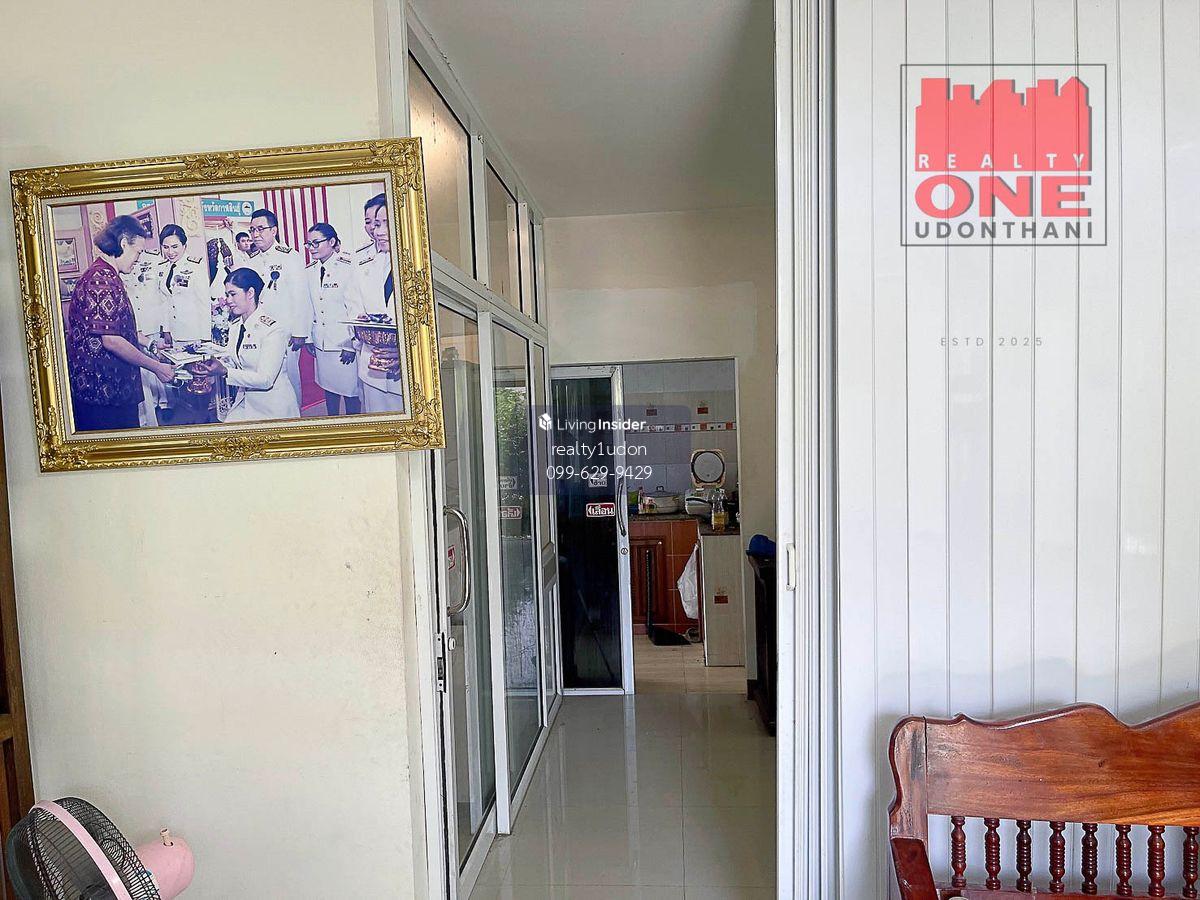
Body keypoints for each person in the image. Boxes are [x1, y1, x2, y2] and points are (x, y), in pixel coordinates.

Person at [66, 215, 175, 431]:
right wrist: (156, 367)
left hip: (108, 391)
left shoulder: (106, 274)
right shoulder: (101, 280)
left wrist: (151, 345)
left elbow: (119, 329)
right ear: (124, 244)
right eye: (138, 252)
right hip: (102, 395)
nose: (138, 259)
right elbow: (112, 340)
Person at [196, 268, 299, 423]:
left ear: (250, 293)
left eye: (233, 294)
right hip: (246, 401)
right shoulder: (236, 326)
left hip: (272, 408)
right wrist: (211, 366)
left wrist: (224, 371)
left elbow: (265, 380)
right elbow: (235, 361)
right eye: (227, 295)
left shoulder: (272, 330)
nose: (228, 300)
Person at [347, 193, 406, 414]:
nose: (377, 231)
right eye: (375, 224)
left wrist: (405, 352)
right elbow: (353, 303)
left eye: (384, 224)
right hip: (372, 366)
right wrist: (363, 333)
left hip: (409, 372)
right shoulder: (366, 260)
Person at [246, 208, 307, 404]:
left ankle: (294, 414)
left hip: (285, 331)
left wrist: (300, 332)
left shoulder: (290, 256)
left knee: (289, 377)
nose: (255, 234)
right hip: (260, 330)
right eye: (252, 230)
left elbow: (301, 296)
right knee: (264, 376)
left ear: (274, 230)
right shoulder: (252, 260)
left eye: (261, 229)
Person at [303, 223, 360, 415]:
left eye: (316, 243)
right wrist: (310, 338)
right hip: (321, 342)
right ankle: (333, 422)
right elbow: (309, 306)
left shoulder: (348, 267)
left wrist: (350, 345)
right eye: (309, 244)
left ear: (332, 241)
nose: (311, 248)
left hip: (342, 342)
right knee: (328, 388)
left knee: (351, 392)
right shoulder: (309, 270)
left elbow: (354, 308)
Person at [120, 242, 168, 425]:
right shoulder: (119, 265)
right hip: (133, 323)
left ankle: (164, 402)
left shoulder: (154, 259)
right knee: (142, 371)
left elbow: (161, 295)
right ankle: (150, 408)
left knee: (155, 362)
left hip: (150, 321)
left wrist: (163, 326)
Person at [156, 224, 211, 346]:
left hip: (193, 334)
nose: (170, 252)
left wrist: (205, 338)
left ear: (184, 245)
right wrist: (166, 330)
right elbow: (165, 301)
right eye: (166, 247)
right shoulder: (162, 268)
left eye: (175, 246)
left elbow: (204, 303)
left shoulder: (195, 266)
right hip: (173, 334)